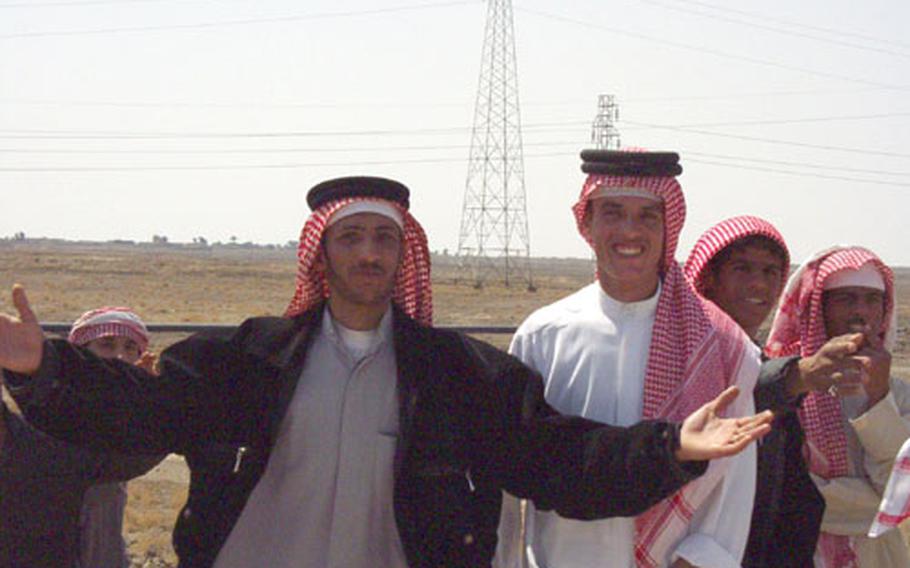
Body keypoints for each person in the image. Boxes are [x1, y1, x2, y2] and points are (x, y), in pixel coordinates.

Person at [0, 176, 772, 568]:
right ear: (321, 252)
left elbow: (557, 457)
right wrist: (42, 367)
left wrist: (669, 448)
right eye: (352, 237)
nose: (369, 252)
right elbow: (141, 408)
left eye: (383, 238)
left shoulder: (457, 376)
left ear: (405, 255)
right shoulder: (247, 360)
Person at [497, 151, 762, 568]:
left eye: (646, 217)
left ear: (667, 226)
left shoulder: (723, 345)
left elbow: (735, 485)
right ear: (587, 223)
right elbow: (513, 477)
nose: (629, 231)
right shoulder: (542, 335)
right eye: (613, 213)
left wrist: (699, 562)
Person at [684, 216, 825, 567]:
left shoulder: (761, 362)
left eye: (770, 272)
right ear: (710, 278)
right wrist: (794, 377)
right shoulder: (684, 360)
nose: (758, 284)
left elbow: (794, 501)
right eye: (742, 269)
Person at [766, 245, 910, 567]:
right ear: (819, 308)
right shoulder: (787, 384)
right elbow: (784, 493)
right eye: (846, 298)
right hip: (794, 551)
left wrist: (878, 398)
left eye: (872, 299)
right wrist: (876, 505)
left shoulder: (898, 394)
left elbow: (902, 494)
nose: (861, 311)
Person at [0, 307, 162, 568]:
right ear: (80, 355)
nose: (119, 356)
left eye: (130, 347)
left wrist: (151, 405)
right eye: (106, 345)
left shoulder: (123, 426)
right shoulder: (45, 415)